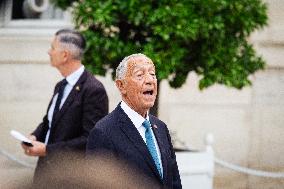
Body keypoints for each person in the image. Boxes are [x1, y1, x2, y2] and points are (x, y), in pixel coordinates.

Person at [21, 29, 109, 186]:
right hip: (44, 175)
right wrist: (34, 136)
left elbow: (90, 140)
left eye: (52, 48)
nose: (49, 52)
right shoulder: (60, 86)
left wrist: (48, 150)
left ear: (65, 55)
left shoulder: (93, 89)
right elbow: (49, 122)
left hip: (69, 180)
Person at [87, 53, 182, 189]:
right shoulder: (103, 133)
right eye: (140, 75)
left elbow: (174, 182)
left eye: (152, 74)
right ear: (121, 86)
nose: (150, 80)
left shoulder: (161, 128)